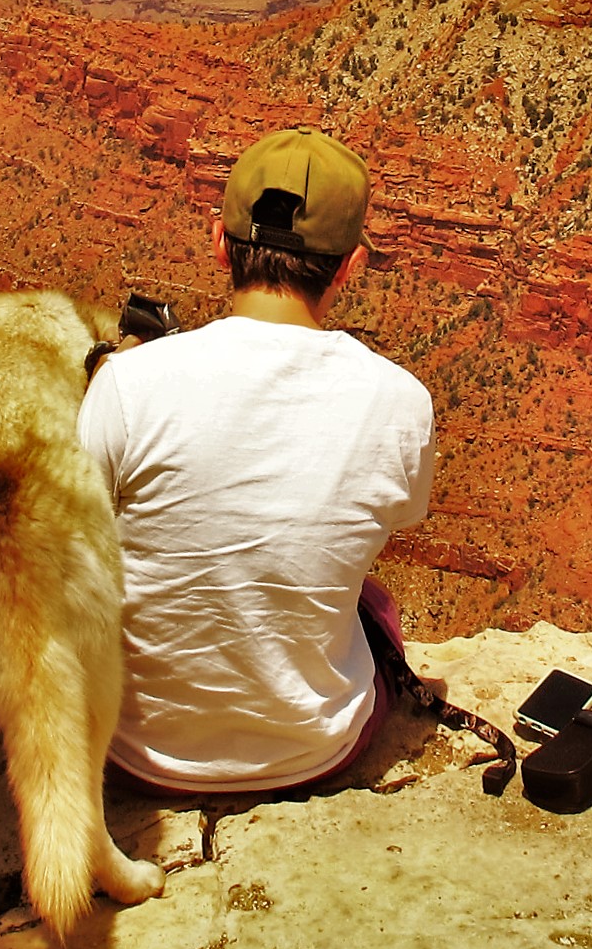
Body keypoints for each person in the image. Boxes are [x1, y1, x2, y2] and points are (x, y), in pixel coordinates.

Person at [79, 127, 434, 794]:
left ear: (220, 243)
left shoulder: (126, 382)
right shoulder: (401, 400)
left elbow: (75, 539)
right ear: (350, 264)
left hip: (135, 755)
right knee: (374, 602)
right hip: (317, 752)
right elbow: (392, 518)